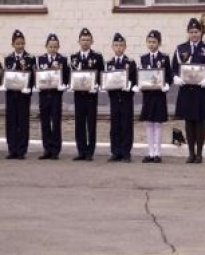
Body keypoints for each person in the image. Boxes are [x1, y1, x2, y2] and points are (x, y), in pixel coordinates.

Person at [173, 18, 205, 164]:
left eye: (196, 32)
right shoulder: (181, 49)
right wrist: (175, 78)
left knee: (200, 123)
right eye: (191, 32)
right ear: (188, 33)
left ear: (201, 32)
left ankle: (199, 154)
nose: (194, 34)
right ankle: (191, 153)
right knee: (188, 122)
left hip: (201, 91)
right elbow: (173, 68)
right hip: (186, 90)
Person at [70, 28, 104, 161]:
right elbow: (70, 75)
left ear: (92, 41)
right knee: (79, 124)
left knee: (91, 124)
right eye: (83, 40)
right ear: (78, 41)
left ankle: (90, 152)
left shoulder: (97, 57)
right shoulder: (74, 57)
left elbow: (102, 75)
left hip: (91, 96)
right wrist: (70, 85)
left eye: (88, 40)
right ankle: (81, 151)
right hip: (78, 95)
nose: (85, 42)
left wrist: (97, 86)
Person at [139, 30, 172, 163]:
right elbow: (141, 75)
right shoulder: (143, 58)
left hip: (159, 95)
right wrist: (139, 84)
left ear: (159, 43)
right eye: (149, 42)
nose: (151, 44)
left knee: (157, 124)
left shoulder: (164, 58)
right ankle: (150, 153)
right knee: (148, 124)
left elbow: (168, 75)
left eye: (154, 42)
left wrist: (167, 85)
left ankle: (158, 153)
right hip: (148, 95)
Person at [1, 29, 35, 160]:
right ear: (13, 44)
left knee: (23, 121)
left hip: (23, 95)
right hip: (11, 94)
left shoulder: (30, 58)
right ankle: (12, 149)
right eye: (17, 43)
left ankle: (22, 150)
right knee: (11, 122)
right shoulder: (8, 58)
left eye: (22, 43)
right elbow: (7, 73)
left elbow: (32, 76)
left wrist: (30, 87)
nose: (20, 46)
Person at [35, 33, 69, 160]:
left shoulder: (63, 60)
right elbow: (37, 75)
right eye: (50, 46)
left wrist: (64, 85)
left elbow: (66, 76)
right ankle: (46, 149)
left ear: (58, 47)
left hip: (56, 95)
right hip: (44, 95)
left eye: (55, 46)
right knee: (44, 122)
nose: (53, 48)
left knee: (55, 122)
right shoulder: (41, 59)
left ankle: (55, 150)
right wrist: (36, 84)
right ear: (46, 46)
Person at [105, 33, 138, 163]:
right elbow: (106, 80)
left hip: (126, 99)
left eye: (121, 45)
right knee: (115, 126)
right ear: (112, 47)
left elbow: (135, 80)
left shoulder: (130, 63)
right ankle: (115, 152)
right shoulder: (109, 64)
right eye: (116, 45)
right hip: (114, 98)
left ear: (125, 47)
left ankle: (125, 152)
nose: (118, 48)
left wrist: (130, 87)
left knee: (126, 125)